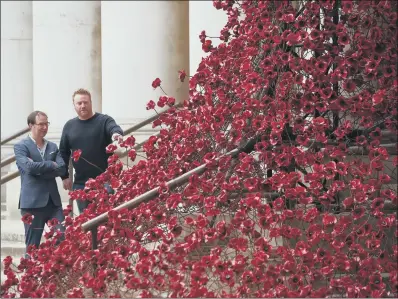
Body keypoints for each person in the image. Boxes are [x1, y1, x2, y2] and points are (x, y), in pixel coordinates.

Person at [59, 88, 123, 213]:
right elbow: (63, 152)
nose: (83, 106)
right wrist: (64, 176)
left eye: (85, 102)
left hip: (105, 181)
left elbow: (113, 127)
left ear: (91, 103)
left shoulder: (104, 120)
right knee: (87, 223)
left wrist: (116, 134)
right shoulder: (69, 126)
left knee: (106, 221)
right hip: (81, 184)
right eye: (79, 103)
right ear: (74, 105)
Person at [14, 111, 66, 255]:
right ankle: (30, 277)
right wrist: (51, 164)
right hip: (32, 204)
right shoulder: (21, 146)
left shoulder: (53, 147)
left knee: (62, 236)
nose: (44, 127)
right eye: (41, 124)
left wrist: (39, 168)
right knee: (32, 247)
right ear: (31, 125)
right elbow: (29, 168)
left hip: (53, 203)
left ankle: (52, 269)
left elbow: (62, 169)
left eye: (46, 124)